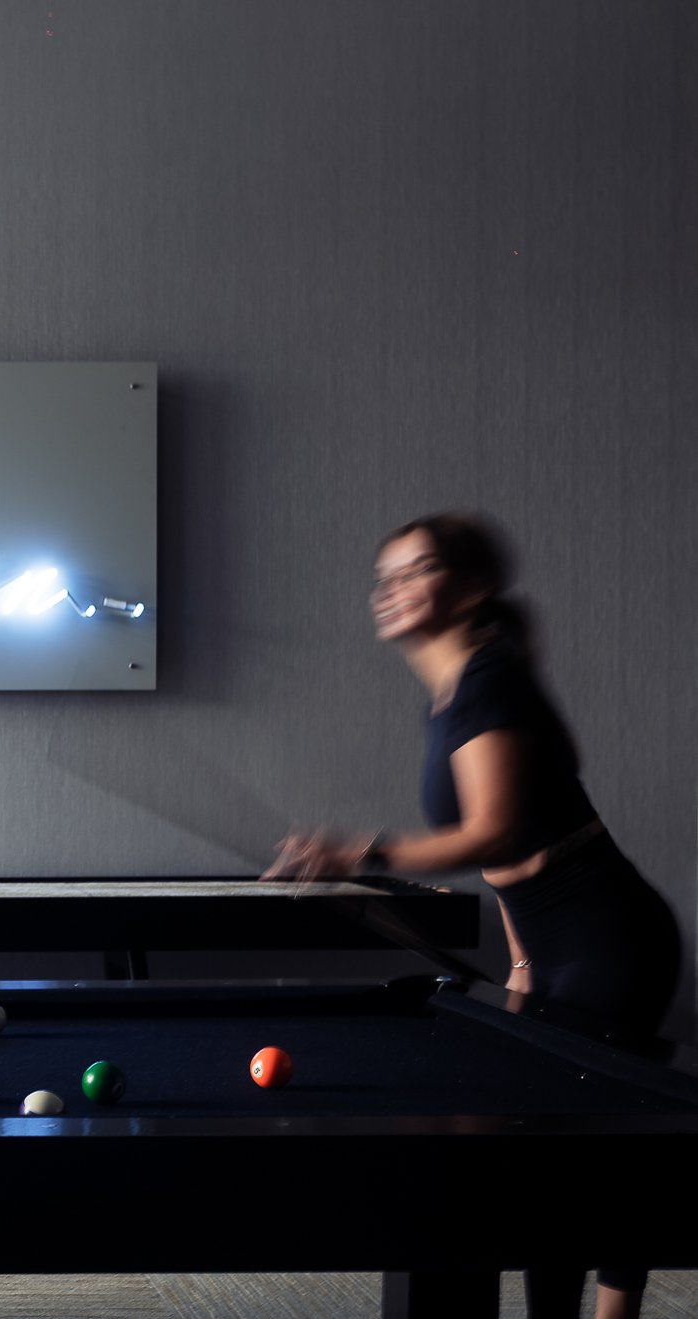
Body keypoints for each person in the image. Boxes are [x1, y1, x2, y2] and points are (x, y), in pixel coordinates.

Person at [266, 511, 682, 1319]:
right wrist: (523, 959)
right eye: (383, 575)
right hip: (558, 943)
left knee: (596, 1144)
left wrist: (360, 851)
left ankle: (612, 1313)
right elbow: (513, 853)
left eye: (414, 570)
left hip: (611, 938)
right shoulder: (458, 691)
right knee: (552, 1151)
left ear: (473, 587)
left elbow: (489, 829)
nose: (390, 589)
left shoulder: (490, 680)